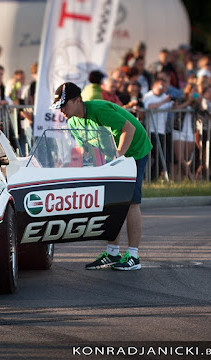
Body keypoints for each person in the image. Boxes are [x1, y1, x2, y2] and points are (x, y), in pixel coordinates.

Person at [51, 82, 152, 270]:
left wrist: (118, 158)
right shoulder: (73, 121)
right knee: (112, 202)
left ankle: (133, 256)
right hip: (113, 153)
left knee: (131, 202)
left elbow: (128, 129)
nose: (61, 110)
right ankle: (113, 252)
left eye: (64, 105)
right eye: (59, 107)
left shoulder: (98, 109)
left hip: (135, 149)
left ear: (77, 100)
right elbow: (87, 151)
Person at [143, 78, 173, 181]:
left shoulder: (165, 97)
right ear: (154, 86)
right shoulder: (149, 96)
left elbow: (172, 107)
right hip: (151, 130)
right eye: (160, 86)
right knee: (157, 155)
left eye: (164, 86)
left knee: (163, 156)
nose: (162, 88)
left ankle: (152, 178)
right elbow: (150, 107)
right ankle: (149, 178)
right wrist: (163, 101)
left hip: (162, 130)